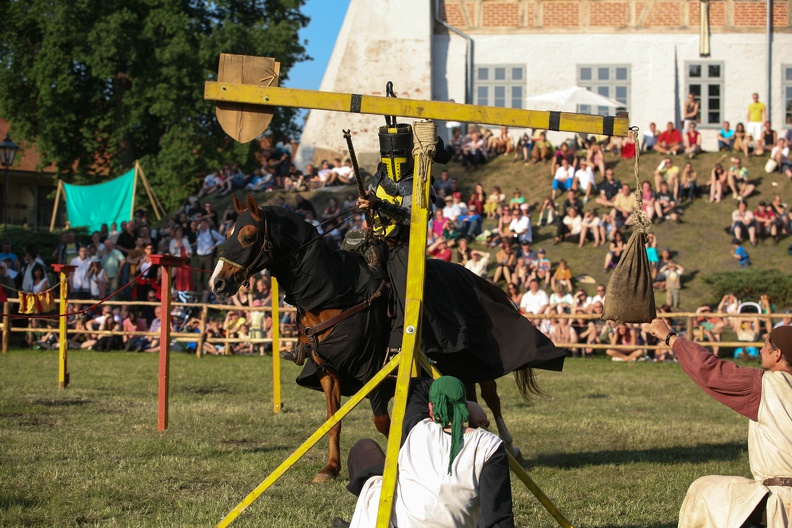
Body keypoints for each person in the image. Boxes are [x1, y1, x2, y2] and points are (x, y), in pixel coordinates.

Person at [646, 319, 792, 528]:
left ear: (777, 354)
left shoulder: (765, 386)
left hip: (781, 504)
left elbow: (712, 371)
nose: (760, 350)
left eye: (765, 346)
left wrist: (670, 338)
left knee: (704, 490)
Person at [337, 376, 512, 528]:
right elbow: (498, 519)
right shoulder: (490, 447)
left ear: (430, 408)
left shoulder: (417, 427)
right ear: (462, 409)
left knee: (364, 449)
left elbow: (418, 386)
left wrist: (467, 404)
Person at [357, 122, 448, 352]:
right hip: (375, 240)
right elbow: (371, 202)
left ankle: (400, 346)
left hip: (402, 245)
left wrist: (379, 204)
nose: (391, 157)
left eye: (395, 153)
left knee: (403, 293)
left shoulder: (419, 180)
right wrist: (366, 207)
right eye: (387, 153)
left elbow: (414, 216)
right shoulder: (379, 175)